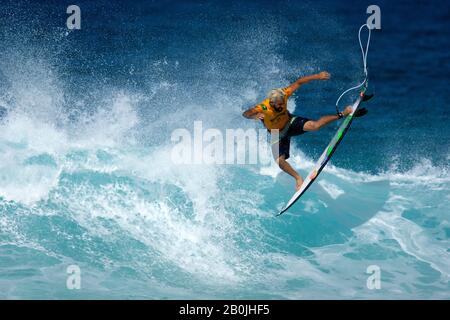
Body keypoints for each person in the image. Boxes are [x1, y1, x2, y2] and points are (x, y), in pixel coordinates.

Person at [242, 71, 367, 190]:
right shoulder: (263, 107)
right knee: (279, 161)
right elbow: (246, 113)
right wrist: (254, 116)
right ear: (272, 102)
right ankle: (298, 178)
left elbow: (299, 82)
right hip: (277, 134)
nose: (281, 106)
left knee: (315, 126)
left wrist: (317, 76)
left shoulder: (284, 94)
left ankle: (342, 114)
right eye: (279, 104)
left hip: (290, 122)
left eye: (282, 103)